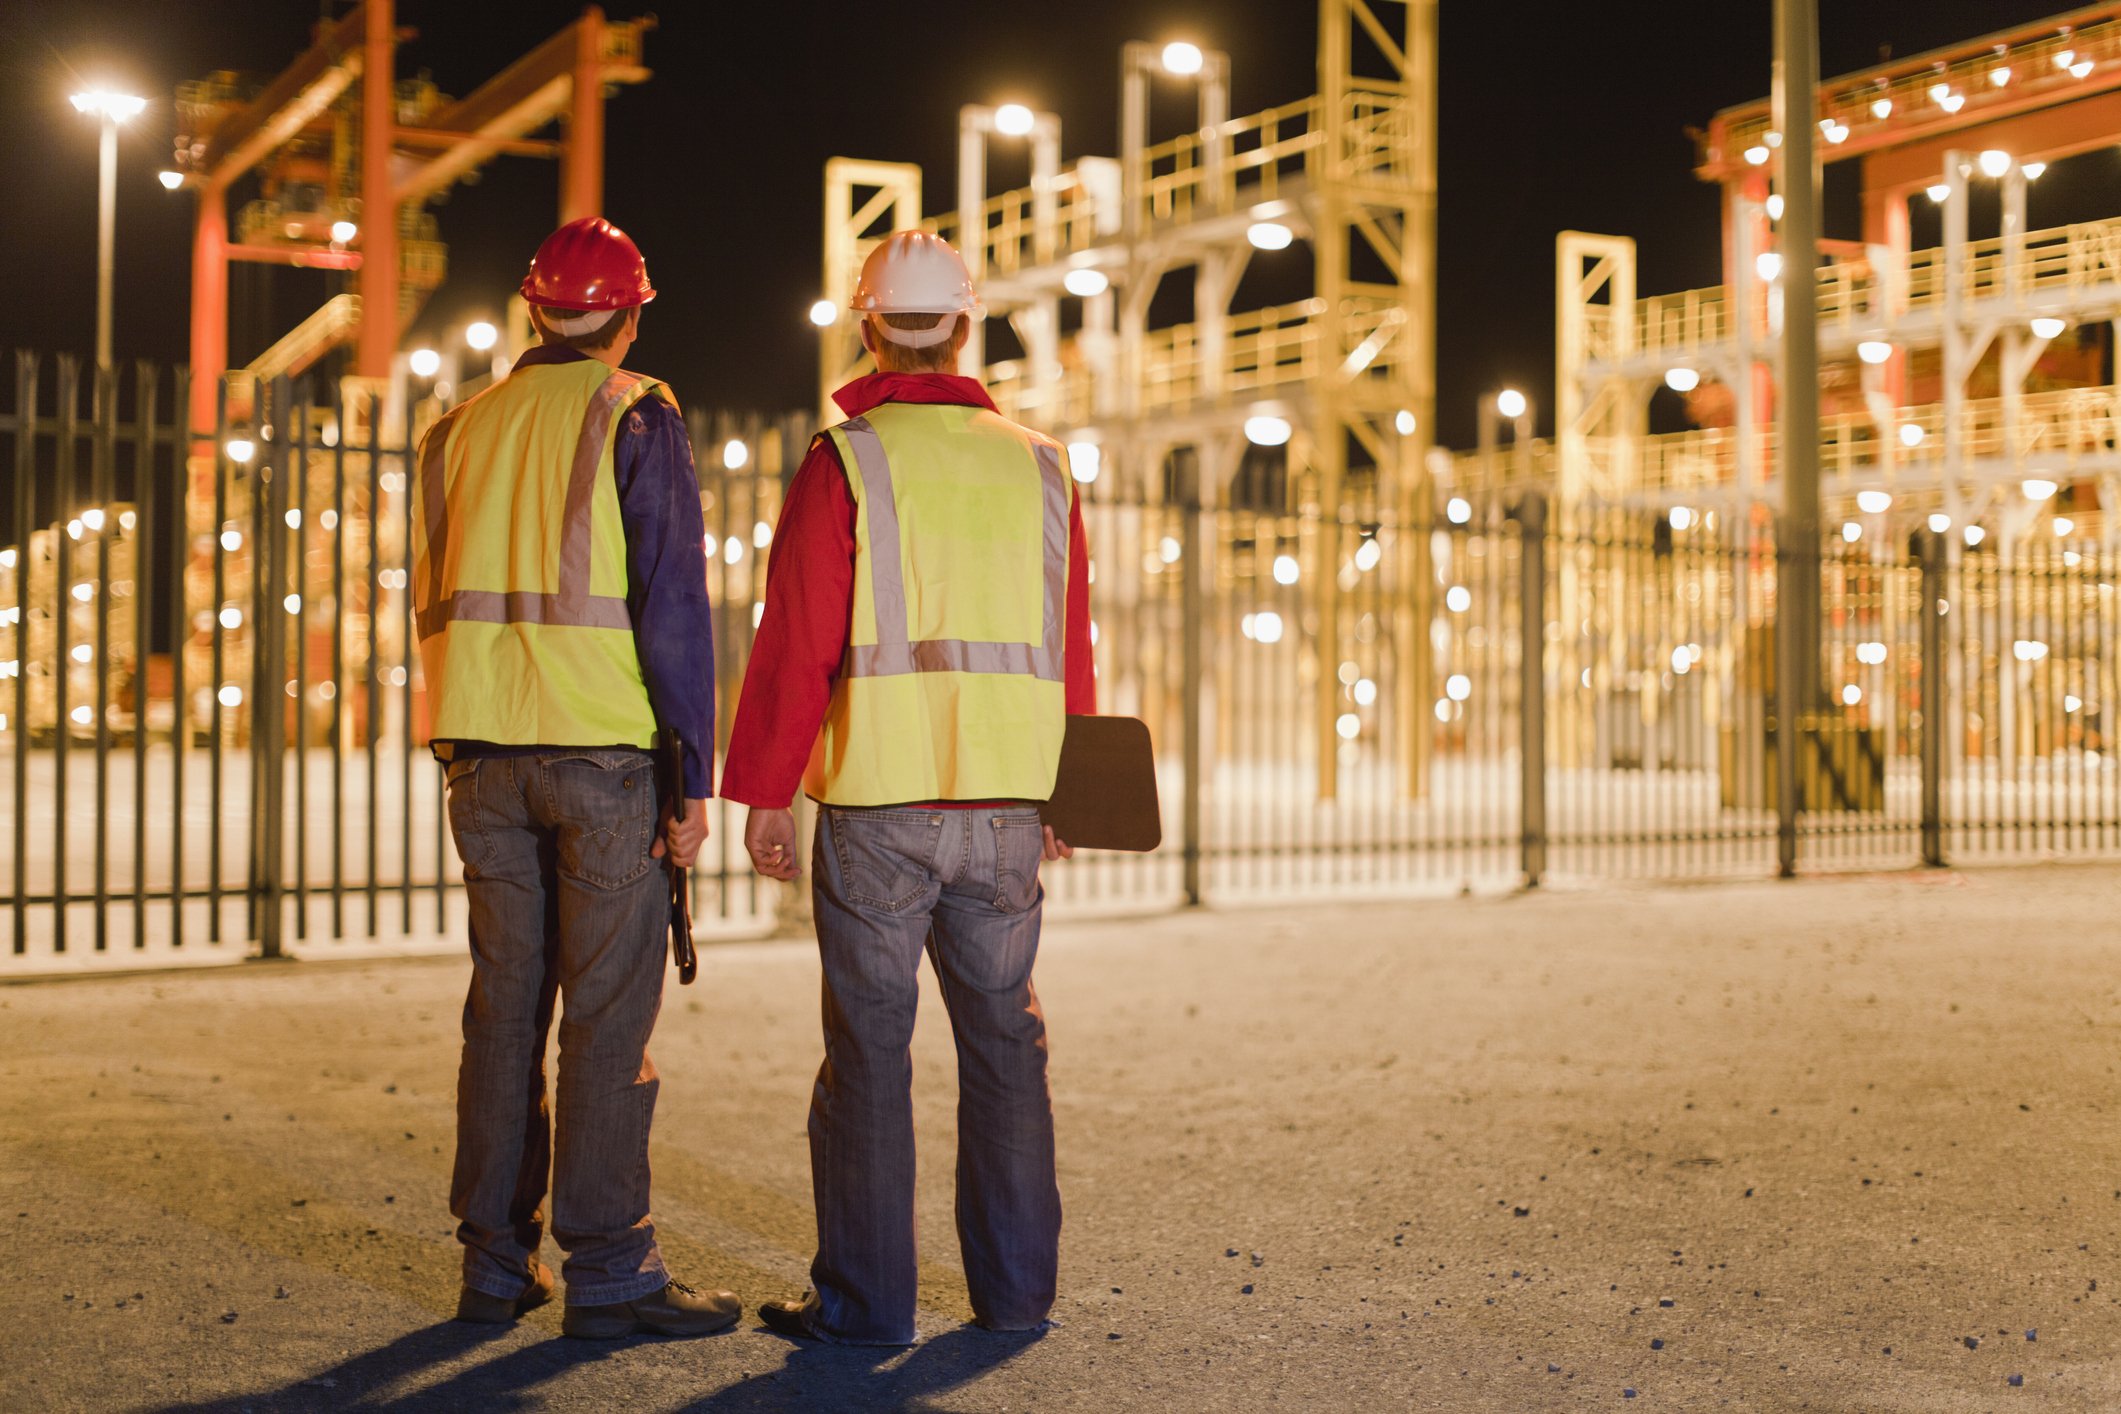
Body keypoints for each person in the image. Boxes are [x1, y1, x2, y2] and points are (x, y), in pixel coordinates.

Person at [720, 230, 1095, 1345]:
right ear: (968, 326)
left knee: (870, 1054)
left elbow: (798, 641)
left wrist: (764, 792)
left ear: (866, 324)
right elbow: (1066, 642)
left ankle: (869, 1305)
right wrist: (1064, 791)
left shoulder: (849, 459)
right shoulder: (1042, 462)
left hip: (880, 803)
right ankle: (1017, 1296)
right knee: (1006, 1047)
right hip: (1007, 807)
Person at [412, 215, 738, 1339]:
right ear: (630, 314)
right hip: (603, 757)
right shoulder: (634, 410)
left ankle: (494, 1264)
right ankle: (611, 1273)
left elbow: (435, 593)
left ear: (530, 308)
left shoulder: (453, 429)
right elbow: (672, 606)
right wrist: (690, 771)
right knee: (603, 1018)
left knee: (503, 1010)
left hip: (481, 759)